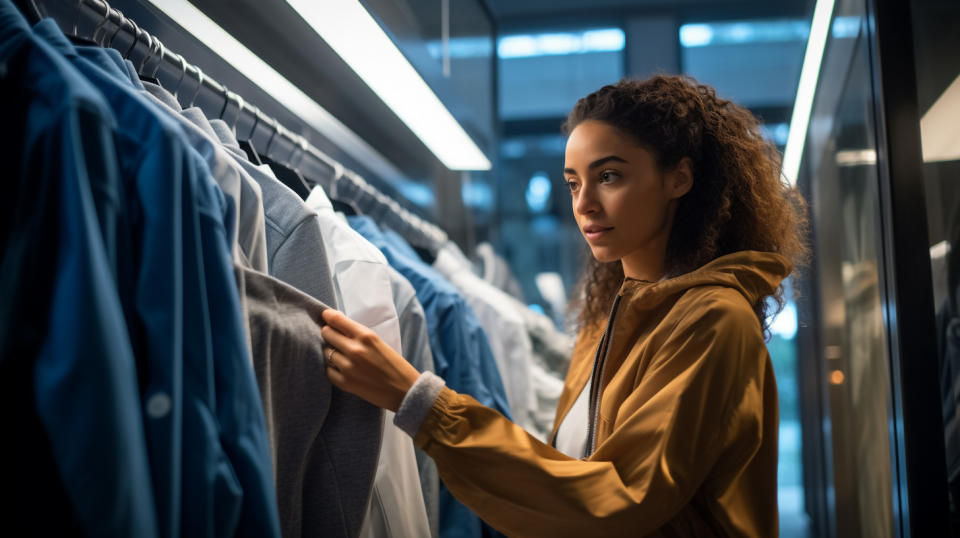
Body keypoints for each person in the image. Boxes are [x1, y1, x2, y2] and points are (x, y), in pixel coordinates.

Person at [318, 75, 808, 537]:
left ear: (679, 178)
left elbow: (616, 498)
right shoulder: (610, 315)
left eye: (609, 176)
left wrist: (421, 403)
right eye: (573, 183)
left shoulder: (714, 320)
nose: (584, 204)